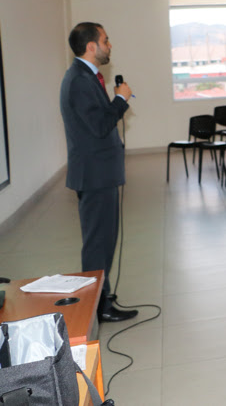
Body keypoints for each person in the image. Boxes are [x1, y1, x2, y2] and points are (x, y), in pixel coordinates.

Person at [59, 22, 137, 323]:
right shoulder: (79, 80)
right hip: (95, 175)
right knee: (97, 243)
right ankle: (98, 307)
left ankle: (101, 296)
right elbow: (100, 125)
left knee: (103, 240)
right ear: (91, 46)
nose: (110, 45)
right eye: (106, 40)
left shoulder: (85, 76)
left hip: (99, 173)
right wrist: (120, 99)